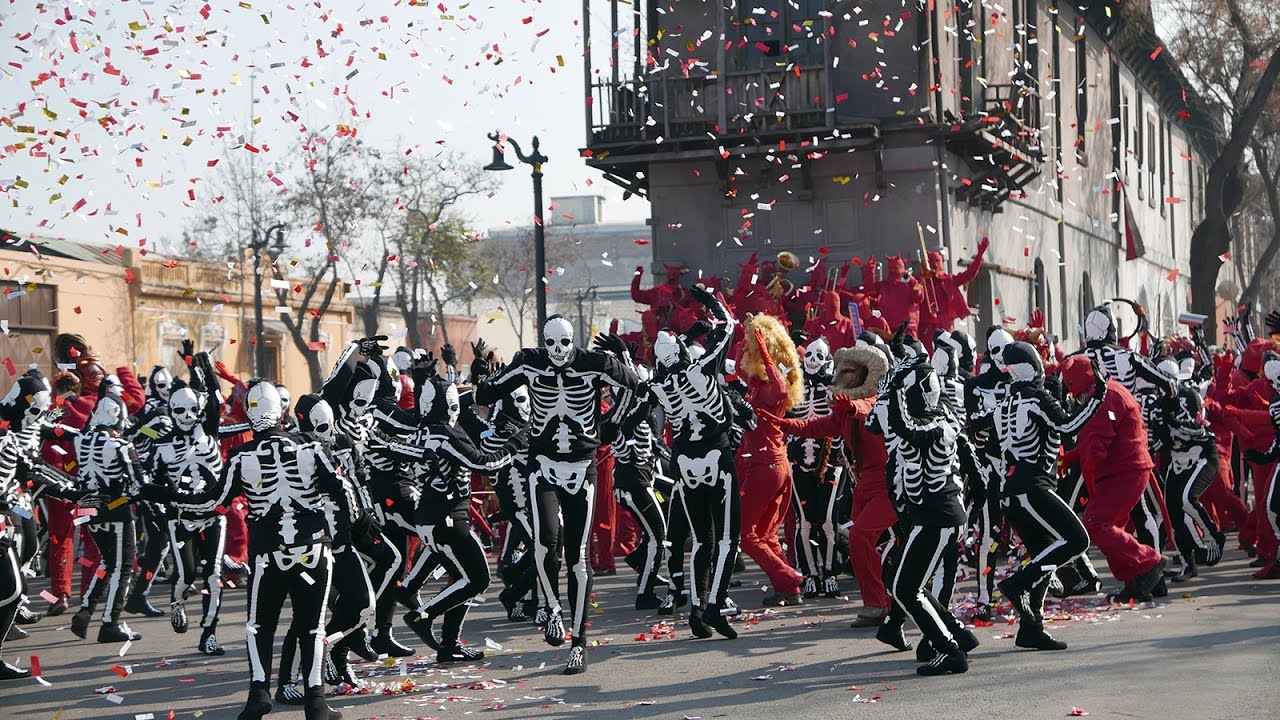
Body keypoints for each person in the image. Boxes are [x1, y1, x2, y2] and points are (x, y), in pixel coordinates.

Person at [145, 381, 348, 720]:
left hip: (270, 553)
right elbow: (341, 491)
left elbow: (211, 501)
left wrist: (159, 493)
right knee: (313, 626)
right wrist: (351, 535)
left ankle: (259, 694)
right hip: (313, 549)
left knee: (260, 625)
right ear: (281, 412)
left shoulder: (242, 457)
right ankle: (316, 703)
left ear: (251, 416)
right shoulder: (312, 446)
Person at [473, 315, 640, 675]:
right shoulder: (529, 362)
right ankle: (551, 607)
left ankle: (578, 641)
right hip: (544, 465)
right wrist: (480, 373)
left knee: (577, 556)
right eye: (551, 344)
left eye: (564, 343)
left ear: (572, 341)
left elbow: (636, 385)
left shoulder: (594, 363)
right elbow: (486, 394)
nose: (558, 352)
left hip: (582, 468)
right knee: (544, 542)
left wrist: (614, 424)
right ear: (544, 342)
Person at [984, 342, 1111, 651]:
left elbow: (990, 448)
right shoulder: (1035, 398)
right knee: (1076, 540)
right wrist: (1096, 398)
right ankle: (1017, 585)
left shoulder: (1003, 403)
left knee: (1044, 549)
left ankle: (1031, 628)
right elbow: (1068, 426)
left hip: (1010, 489)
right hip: (1032, 486)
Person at [878, 354, 981, 676]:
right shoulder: (937, 420)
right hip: (934, 516)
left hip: (939, 517)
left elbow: (905, 428)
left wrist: (894, 386)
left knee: (906, 588)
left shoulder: (936, 426)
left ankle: (950, 649)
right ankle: (957, 635)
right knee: (907, 583)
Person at [1058, 355, 1168, 600]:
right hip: (1125, 469)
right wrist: (1072, 458)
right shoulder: (1111, 391)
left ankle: (1148, 562)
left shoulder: (1105, 399)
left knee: (1096, 523)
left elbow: (1097, 443)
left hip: (1124, 471)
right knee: (1111, 527)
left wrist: (1085, 466)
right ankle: (1134, 581)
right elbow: (1093, 441)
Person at [146, 348, 228, 655]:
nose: (187, 417)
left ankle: (209, 633)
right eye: (179, 411)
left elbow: (215, 402)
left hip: (212, 514)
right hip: (180, 517)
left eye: (191, 410)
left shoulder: (209, 432)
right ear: (171, 411)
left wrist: (200, 369)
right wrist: (161, 501)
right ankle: (177, 600)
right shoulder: (162, 445)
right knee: (185, 574)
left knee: (215, 574)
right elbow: (147, 484)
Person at [737, 315, 807, 607]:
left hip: (765, 466)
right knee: (766, 533)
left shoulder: (774, 389)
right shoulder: (759, 385)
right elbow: (741, 367)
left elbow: (778, 384)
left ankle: (787, 577)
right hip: (773, 464)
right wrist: (746, 333)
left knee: (746, 535)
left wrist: (763, 346)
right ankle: (790, 591)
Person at [787, 337, 847, 598]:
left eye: (818, 357)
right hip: (799, 464)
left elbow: (844, 411)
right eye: (808, 355)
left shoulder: (834, 386)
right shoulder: (795, 386)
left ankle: (830, 571)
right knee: (804, 523)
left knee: (828, 522)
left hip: (831, 463)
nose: (811, 361)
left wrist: (829, 386)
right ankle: (810, 573)